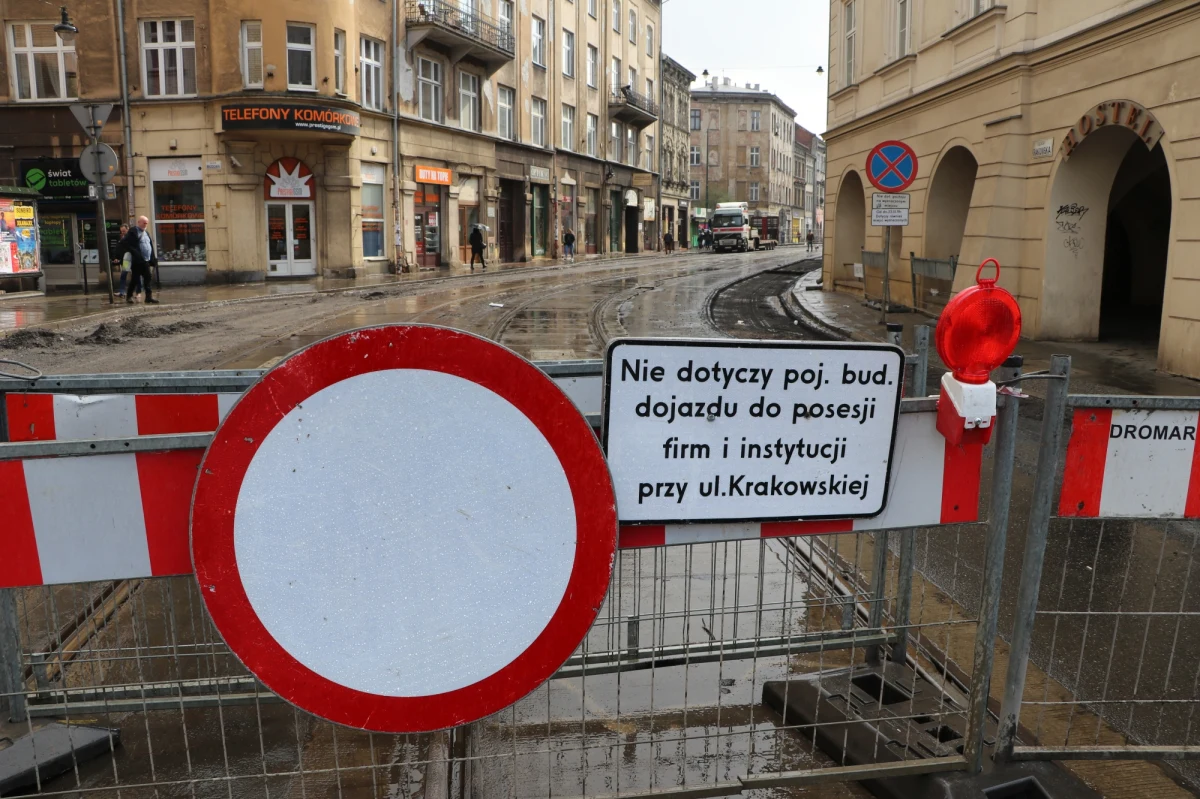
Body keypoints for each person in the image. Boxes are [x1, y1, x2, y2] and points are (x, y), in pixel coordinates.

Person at [117, 216, 158, 304]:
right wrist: (135, 252)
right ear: (139, 222)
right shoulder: (133, 231)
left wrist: (152, 259)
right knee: (135, 279)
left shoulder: (146, 233)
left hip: (146, 260)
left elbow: (149, 245)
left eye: (146, 223)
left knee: (148, 278)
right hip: (137, 261)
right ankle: (129, 296)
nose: (145, 224)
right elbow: (125, 243)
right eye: (143, 223)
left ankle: (148, 297)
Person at [112, 224, 131, 297]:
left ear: (127, 229)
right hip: (125, 260)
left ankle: (139, 292)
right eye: (121, 231)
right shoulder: (121, 238)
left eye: (124, 231)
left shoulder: (131, 237)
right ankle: (122, 292)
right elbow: (118, 249)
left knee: (136, 275)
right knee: (123, 275)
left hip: (131, 259)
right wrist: (116, 258)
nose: (122, 232)